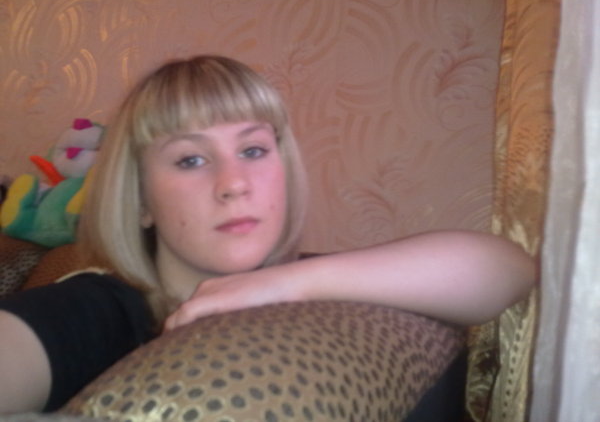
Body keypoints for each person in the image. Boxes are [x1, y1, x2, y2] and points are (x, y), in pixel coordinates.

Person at [0, 55, 537, 414]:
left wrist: (283, 283)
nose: (234, 182)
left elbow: (508, 269)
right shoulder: (98, 309)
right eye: (190, 159)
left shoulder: (305, 282)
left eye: (253, 149)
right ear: (140, 201)